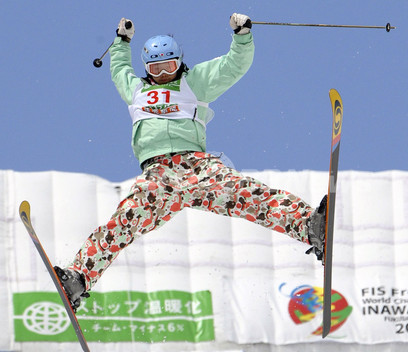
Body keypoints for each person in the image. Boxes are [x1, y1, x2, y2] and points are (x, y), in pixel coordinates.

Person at [55, 13, 327, 311]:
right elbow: (119, 68)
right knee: (126, 218)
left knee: (245, 193)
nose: (162, 75)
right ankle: (78, 278)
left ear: (179, 63)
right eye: (155, 69)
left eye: (168, 66)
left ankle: (309, 226)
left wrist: (242, 36)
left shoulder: (193, 83)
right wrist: (121, 41)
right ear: (146, 69)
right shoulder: (136, 90)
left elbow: (232, 66)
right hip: (157, 174)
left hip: (197, 166)